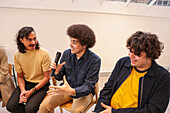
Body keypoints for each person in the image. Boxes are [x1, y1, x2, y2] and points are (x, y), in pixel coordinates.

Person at [93, 31, 170, 113]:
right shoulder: (123, 63)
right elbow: (107, 90)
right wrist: (98, 111)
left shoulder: (163, 77)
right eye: (130, 50)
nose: (130, 55)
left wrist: (114, 112)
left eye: (137, 53)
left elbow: (153, 110)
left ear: (150, 56)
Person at [39, 24, 101, 113]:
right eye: (71, 41)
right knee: (44, 107)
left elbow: (88, 86)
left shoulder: (95, 60)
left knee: (76, 111)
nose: (70, 45)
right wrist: (57, 72)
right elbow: (59, 77)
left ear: (85, 45)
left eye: (74, 42)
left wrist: (72, 91)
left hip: (84, 94)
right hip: (66, 89)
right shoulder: (66, 54)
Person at [6, 26, 51, 113]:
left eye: (34, 39)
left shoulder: (44, 54)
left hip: (41, 85)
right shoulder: (17, 56)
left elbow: (46, 77)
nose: (33, 42)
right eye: (29, 40)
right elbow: (19, 77)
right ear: (21, 40)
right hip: (26, 83)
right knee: (11, 106)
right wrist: (23, 91)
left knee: (30, 109)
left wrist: (31, 92)